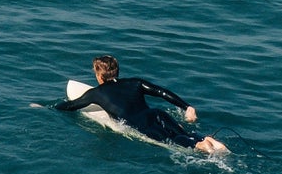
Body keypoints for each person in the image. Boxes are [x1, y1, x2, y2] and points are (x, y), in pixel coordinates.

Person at [55, 55, 229, 155]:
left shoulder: (96, 93)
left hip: (140, 124)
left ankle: (200, 145)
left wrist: (49, 108)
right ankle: (205, 139)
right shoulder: (135, 82)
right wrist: (187, 107)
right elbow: (162, 92)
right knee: (181, 132)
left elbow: (71, 106)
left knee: (170, 140)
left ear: (99, 76)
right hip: (156, 113)